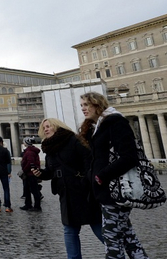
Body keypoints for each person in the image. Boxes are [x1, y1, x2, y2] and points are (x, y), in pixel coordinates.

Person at [79, 92, 150, 258]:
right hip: (106, 190)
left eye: (87, 104)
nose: (83, 108)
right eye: (82, 105)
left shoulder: (115, 122)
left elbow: (129, 156)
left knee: (112, 239)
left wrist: (101, 176)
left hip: (115, 189)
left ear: (97, 105)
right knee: (127, 236)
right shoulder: (96, 127)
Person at [33, 118, 103, 259]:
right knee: (69, 230)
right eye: (44, 127)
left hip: (83, 190)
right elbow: (51, 171)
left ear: (57, 127)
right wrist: (41, 173)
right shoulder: (49, 148)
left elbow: (88, 160)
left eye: (48, 126)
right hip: (65, 192)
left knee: (97, 225)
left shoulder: (73, 140)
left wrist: (86, 180)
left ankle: (116, 252)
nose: (45, 129)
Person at [20, 137, 43, 211]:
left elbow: (30, 163)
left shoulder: (29, 152)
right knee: (27, 189)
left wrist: (24, 169)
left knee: (34, 190)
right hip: (30, 173)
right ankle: (28, 204)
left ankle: (36, 206)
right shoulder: (31, 151)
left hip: (30, 173)